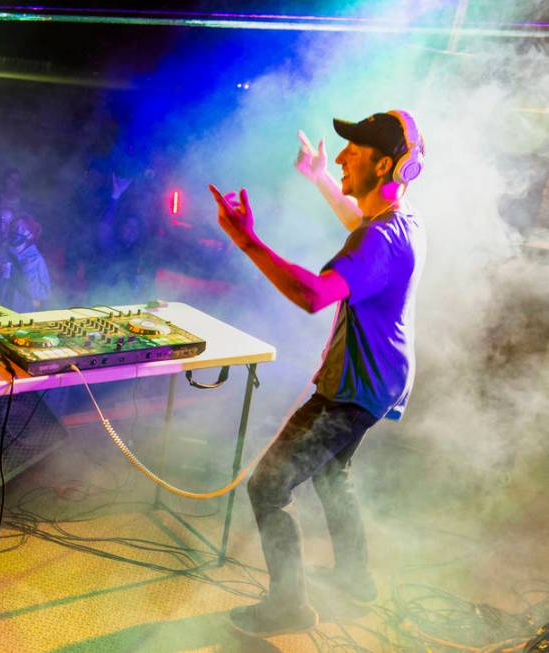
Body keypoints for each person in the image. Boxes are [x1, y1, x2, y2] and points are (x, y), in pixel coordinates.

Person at [210, 110, 426, 637]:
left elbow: (313, 294)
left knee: (268, 485)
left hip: (355, 392)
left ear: (386, 165)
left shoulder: (381, 239)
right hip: (381, 382)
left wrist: (247, 242)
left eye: (354, 150)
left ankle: (288, 607)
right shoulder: (395, 222)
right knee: (332, 474)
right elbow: (357, 223)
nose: (343, 155)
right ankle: (355, 581)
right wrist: (319, 178)